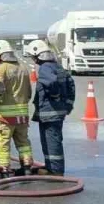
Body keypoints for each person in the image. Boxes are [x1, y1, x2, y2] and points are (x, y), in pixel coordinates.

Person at [28, 39, 75, 176]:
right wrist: (68, 105)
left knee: (51, 141)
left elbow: (51, 82)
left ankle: (55, 171)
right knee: (52, 140)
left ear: (38, 55)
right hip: (58, 111)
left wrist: (54, 94)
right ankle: (50, 167)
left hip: (49, 112)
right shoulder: (58, 67)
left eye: (33, 57)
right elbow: (71, 85)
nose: (33, 60)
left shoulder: (45, 68)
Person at [0, 39, 33, 177]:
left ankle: (3, 170)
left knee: (3, 143)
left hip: (5, 116)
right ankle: (27, 168)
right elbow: (29, 92)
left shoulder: (1, 69)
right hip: (22, 115)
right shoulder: (23, 68)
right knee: (23, 142)